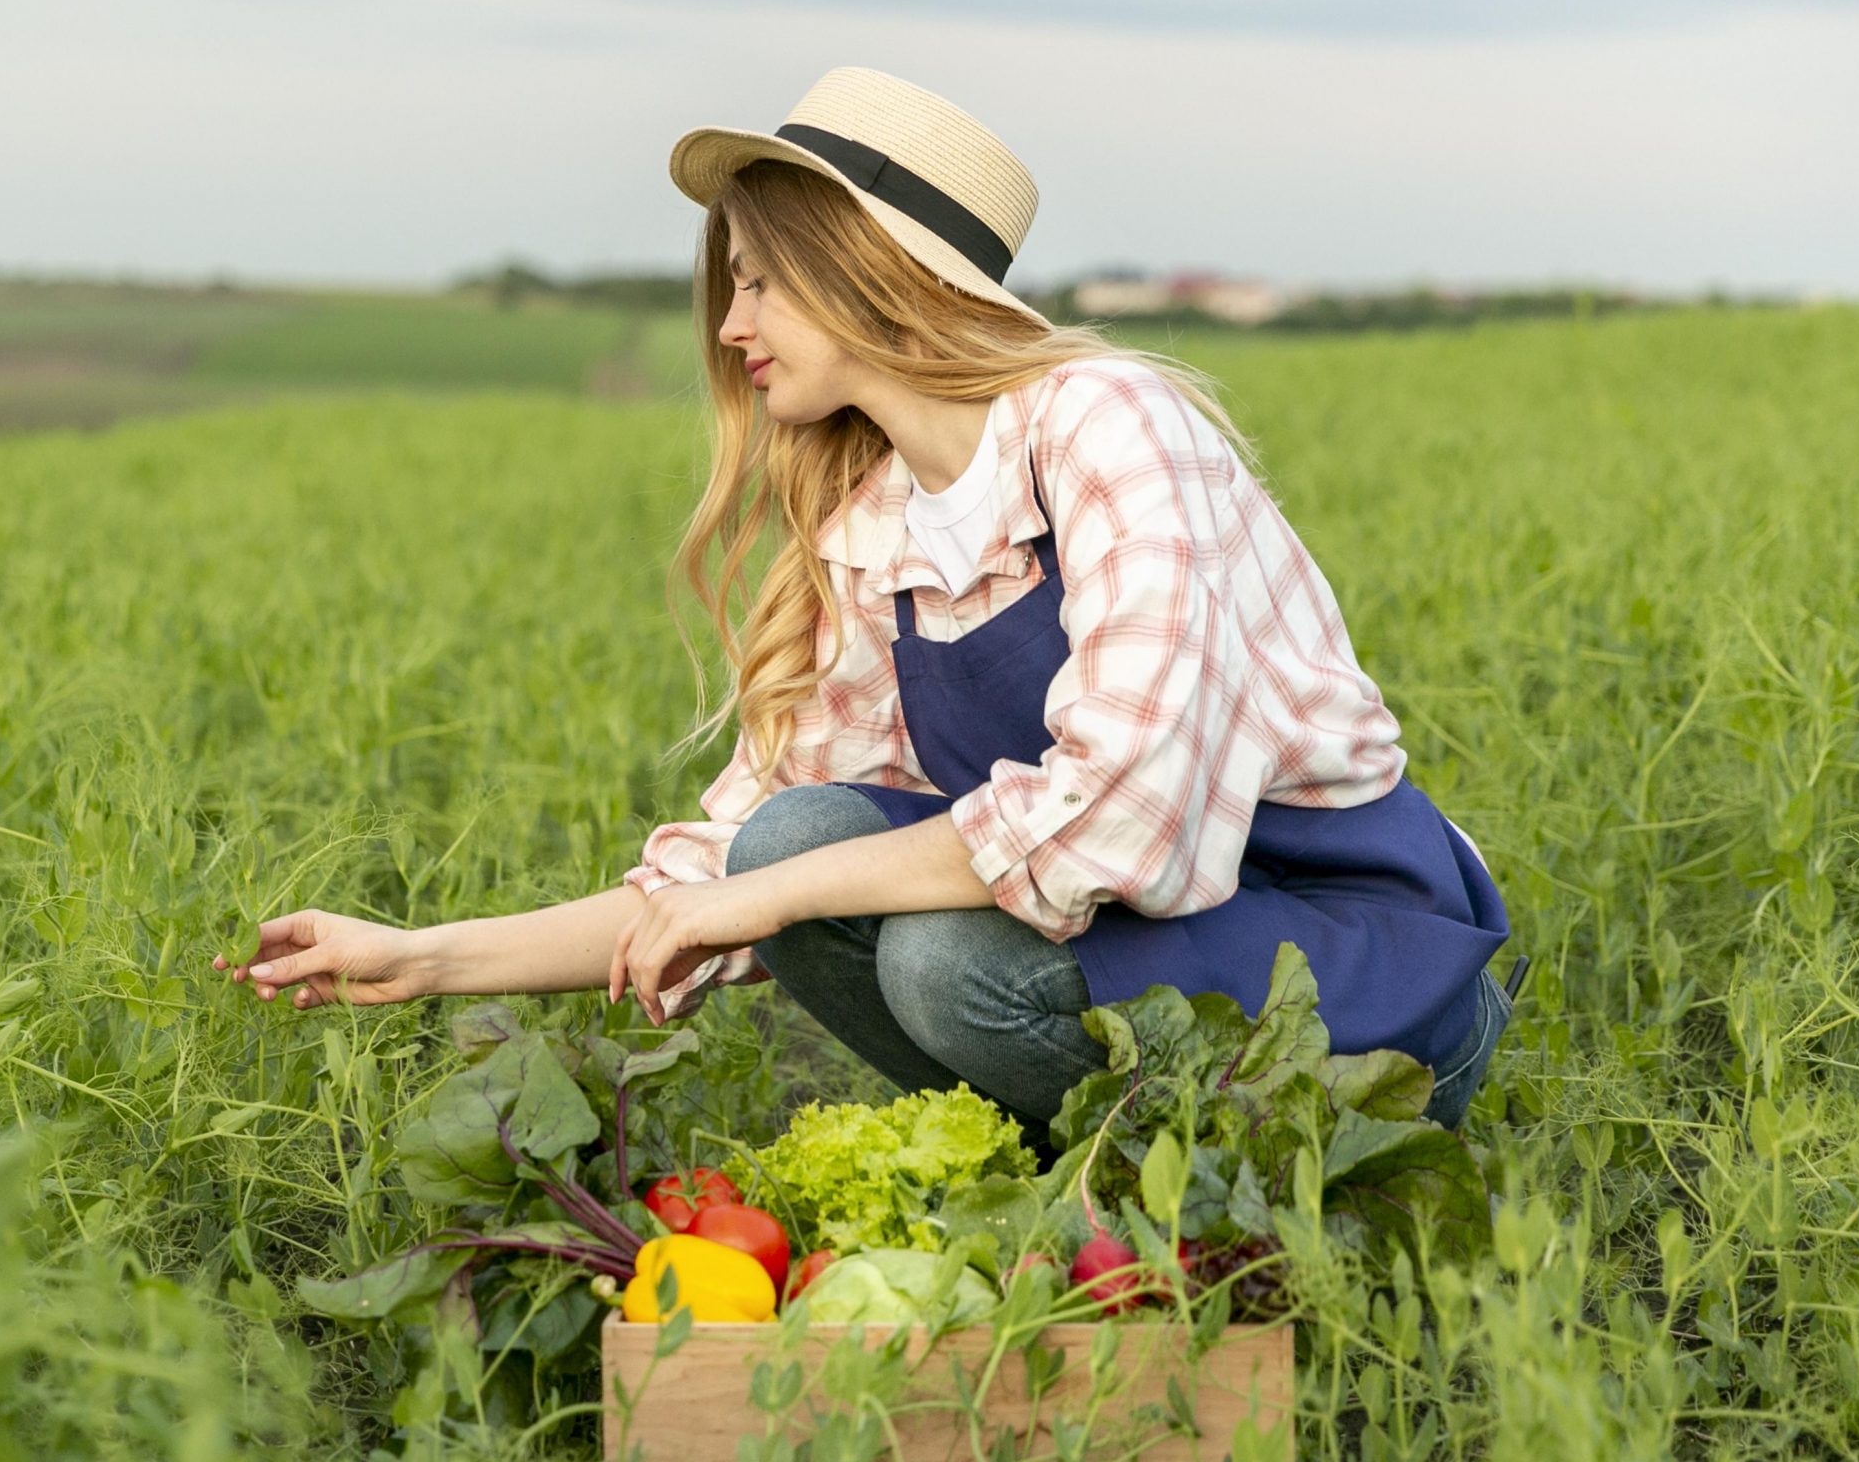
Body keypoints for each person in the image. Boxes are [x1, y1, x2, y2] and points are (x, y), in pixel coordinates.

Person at [213, 65, 1522, 1154]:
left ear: (866, 271)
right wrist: (423, 959)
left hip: (1351, 978)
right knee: (792, 832)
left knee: (929, 955)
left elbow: (1131, 821)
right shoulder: (876, 525)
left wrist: (771, 900)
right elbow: (716, 874)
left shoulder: (1111, 426)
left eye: (763, 282)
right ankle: (1087, 1200)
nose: (732, 325)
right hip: (1153, 960)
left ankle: (1278, 1168)